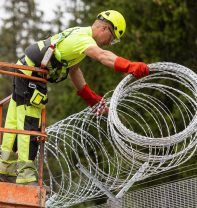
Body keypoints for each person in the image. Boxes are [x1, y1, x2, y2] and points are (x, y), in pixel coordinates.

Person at [0, 10, 149, 185]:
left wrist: (90, 98)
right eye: (112, 38)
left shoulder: (80, 35)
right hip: (31, 75)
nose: (109, 43)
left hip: (26, 70)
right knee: (29, 122)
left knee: (15, 121)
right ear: (105, 28)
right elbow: (103, 56)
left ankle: (5, 168)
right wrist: (130, 66)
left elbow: (74, 70)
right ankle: (26, 176)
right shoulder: (83, 39)